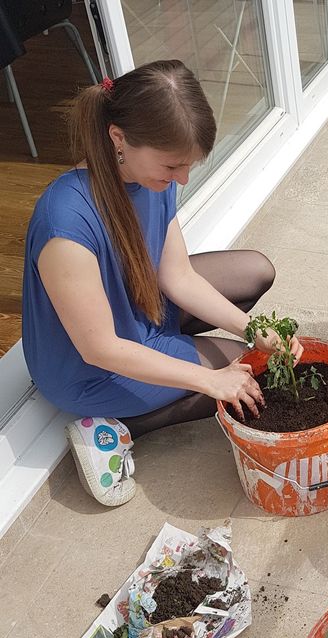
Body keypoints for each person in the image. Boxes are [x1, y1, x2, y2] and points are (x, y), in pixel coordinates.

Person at [22, 60, 301, 506]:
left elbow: (178, 276)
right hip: (89, 365)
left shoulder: (152, 177)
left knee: (254, 272)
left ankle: (172, 358)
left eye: (188, 165)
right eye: (174, 166)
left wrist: (253, 330)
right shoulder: (65, 219)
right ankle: (112, 428)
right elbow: (101, 349)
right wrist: (211, 382)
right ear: (119, 138)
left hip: (137, 308)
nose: (183, 179)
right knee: (239, 377)